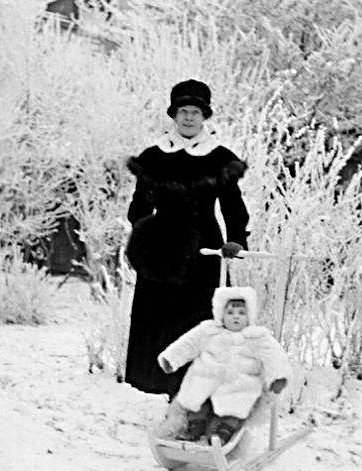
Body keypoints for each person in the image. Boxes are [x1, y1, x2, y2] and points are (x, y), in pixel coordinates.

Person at [124, 79, 250, 399]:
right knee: (156, 319)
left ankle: (194, 394)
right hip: (160, 251)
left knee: (198, 320)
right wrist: (144, 239)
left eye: (195, 112)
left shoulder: (218, 158)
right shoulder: (154, 157)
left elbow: (233, 206)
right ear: (174, 115)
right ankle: (155, 387)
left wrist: (235, 240)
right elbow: (138, 208)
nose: (189, 118)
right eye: (183, 111)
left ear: (205, 116)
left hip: (203, 251)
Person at [154, 286, 293, 444]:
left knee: (234, 407)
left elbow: (274, 355)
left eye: (242, 313)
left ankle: (222, 433)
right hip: (206, 379)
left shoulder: (258, 337)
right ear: (221, 314)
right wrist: (171, 358)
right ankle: (194, 427)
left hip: (239, 385)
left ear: (249, 316)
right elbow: (189, 343)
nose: (236, 317)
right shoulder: (209, 331)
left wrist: (279, 377)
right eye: (230, 313)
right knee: (196, 402)